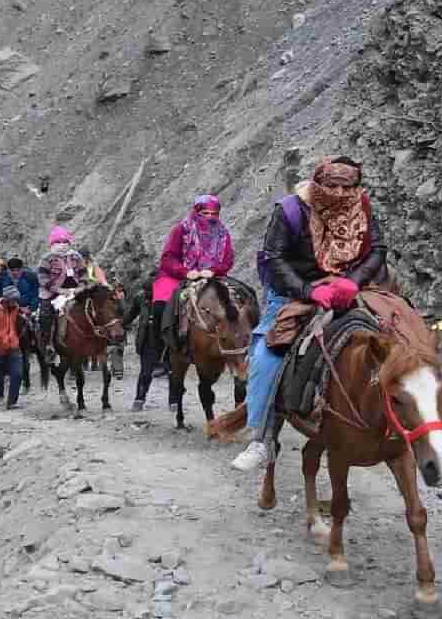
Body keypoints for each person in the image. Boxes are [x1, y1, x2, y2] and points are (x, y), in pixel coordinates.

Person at [232, 157, 385, 471]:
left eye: (347, 186)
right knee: (267, 355)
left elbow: (377, 250)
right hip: (295, 292)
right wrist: (308, 290)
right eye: (333, 186)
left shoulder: (364, 206)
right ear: (319, 184)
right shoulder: (289, 210)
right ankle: (262, 437)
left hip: (350, 287)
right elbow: (274, 257)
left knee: (396, 334)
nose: (340, 193)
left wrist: (352, 282)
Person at [153, 194, 235, 371]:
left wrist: (213, 270)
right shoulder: (181, 230)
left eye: (215, 213)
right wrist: (185, 272)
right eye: (206, 213)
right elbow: (167, 258)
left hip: (211, 275)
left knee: (242, 297)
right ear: (196, 211)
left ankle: (238, 345)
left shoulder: (223, 233)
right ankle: (162, 352)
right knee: (161, 305)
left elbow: (227, 261)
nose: (211, 217)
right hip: (179, 274)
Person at [36, 227, 85, 365]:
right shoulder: (47, 258)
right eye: (59, 241)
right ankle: (48, 346)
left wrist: (81, 287)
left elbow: (84, 273)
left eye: (65, 241)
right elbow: (42, 277)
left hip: (74, 291)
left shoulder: (76, 256)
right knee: (45, 315)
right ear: (52, 243)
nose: (62, 244)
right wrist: (58, 290)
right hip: (52, 294)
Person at [124, 270, 159, 410]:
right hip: (146, 339)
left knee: (173, 372)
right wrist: (119, 325)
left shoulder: (170, 296)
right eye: (146, 293)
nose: (148, 296)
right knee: (145, 372)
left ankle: (174, 403)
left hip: (166, 340)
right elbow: (130, 315)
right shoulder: (140, 297)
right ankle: (139, 399)